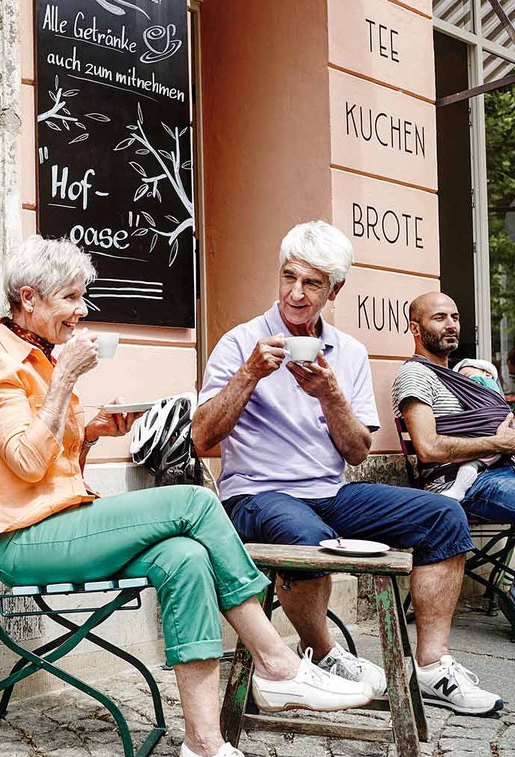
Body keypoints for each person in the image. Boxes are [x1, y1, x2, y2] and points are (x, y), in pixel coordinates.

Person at [0, 235, 373, 757]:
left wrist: (94, 430)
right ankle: (276, 662)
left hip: (68, 523)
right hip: (23, 541)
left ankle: (204, 748)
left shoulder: (42, 356)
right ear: (29, 298)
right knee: (194, 502)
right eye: (72, 298)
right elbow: (25, 465)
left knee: (186, 556)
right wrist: (64, 383)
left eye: (84, 296)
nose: (83, 311)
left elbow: (52, 459)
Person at [193, 222, 503, 716]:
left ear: (334, 289)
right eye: (288, 277)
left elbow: (358, 452)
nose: (295, 293)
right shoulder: (240, 343)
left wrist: (330, 394)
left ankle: (431, 666)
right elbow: (203, 437)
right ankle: (322, 651)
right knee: (305, 532)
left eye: (312, 283)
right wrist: (249, 374)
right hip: (255, 494)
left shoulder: (350, 353)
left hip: (331, 491)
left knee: (445, 516)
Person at [392, 291, 515, 635]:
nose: (451, 325)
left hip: (498, 467)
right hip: (461, 483)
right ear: (416, 328)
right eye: (440, 318)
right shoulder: (416, 376)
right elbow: (428, 448)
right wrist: (497, 441)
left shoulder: (467, 375)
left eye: (455, 317)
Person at [440, 358, 504, 500]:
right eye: (460, 379)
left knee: (470, 464)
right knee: (472, 464)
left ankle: (458, 489)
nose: (465, 381)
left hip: (493, 436)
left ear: (487, 374)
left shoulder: (485, 383)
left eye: (467, 376)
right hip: (494, 444)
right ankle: (458, 489)